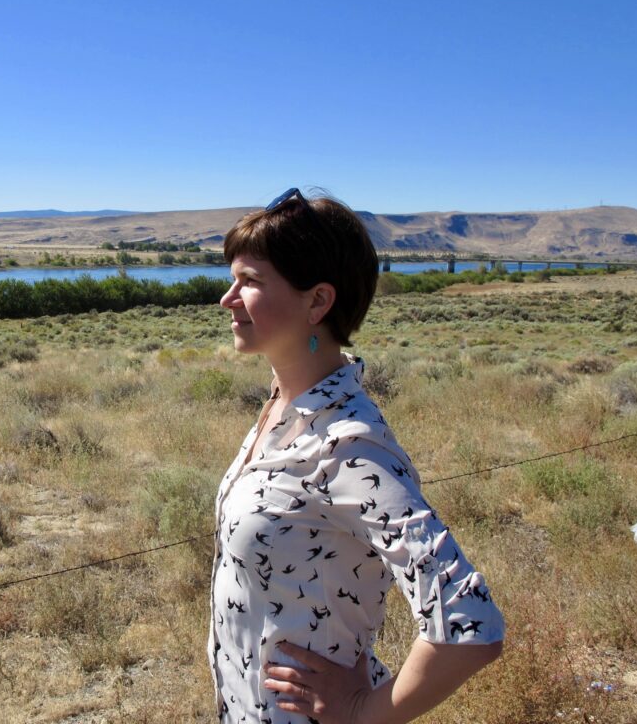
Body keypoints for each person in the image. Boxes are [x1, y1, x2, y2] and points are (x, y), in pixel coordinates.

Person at [210, 188, 504, 723]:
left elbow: (468, 623)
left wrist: (363, 709)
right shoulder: (285, 409)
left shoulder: (346, 445)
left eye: (250, 282)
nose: (227, 299)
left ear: (317, 301)